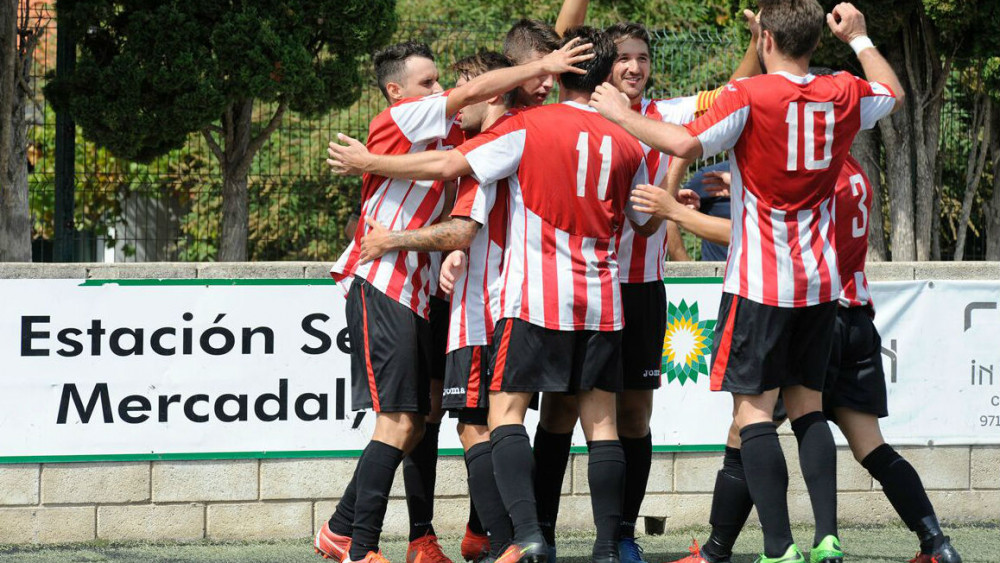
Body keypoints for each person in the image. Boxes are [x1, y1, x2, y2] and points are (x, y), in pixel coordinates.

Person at [591, 2, 904, 562]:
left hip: (762, 281)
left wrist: (618, 111)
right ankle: (826, 538)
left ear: (763, 39)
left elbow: (684, 144)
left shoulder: (750, 96)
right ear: (814, 38)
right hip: (822, 284)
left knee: (752, 415)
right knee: (807, 408)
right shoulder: (843, 90)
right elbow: (893, 92)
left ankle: (779, 547)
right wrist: (859, 38)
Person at [328, 26, 654, 563]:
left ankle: (519, 538)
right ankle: (603, 547)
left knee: (490, 418)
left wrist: (370, 167)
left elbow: (453, 184)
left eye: (455, 85)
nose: (451, 96)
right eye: (436, 83)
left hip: (522, 301)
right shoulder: (628, 140)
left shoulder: (520, 130)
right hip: (601, 298)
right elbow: (643, 222)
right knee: (599, 424)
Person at [637, 152, 963, 563]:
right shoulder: (854, 171)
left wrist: (672, 212)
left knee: (748, 427)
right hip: (856, 317)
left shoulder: (810, 176)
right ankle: (933, 542)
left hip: (811, 314)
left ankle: (724, 551)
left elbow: (751, 236)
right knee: (870, 445)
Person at [526, 6, 763, 563]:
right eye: (625, 59)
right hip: (579, 286)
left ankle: (622, 534)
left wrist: (756, 42)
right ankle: (542, 533)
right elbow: (556, 43)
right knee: (560, 413)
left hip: (641, 290)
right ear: (604, 67)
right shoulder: (578, 112)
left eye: (643, 58)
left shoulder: (661, 114)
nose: (634, 68)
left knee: (633, 417)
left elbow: (732, 94)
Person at [354, 49, 523, 563]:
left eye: (441, 82)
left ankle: (444, 538)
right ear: (396, 92)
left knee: (426, 417)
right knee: (405, 422)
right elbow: (477, 95)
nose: (440, 90)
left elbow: (492, 100)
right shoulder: (397, 120)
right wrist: (548, 63)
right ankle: (359, 543)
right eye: (428, 82)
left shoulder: (462, 131)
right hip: (387, 281)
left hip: (430, 291)